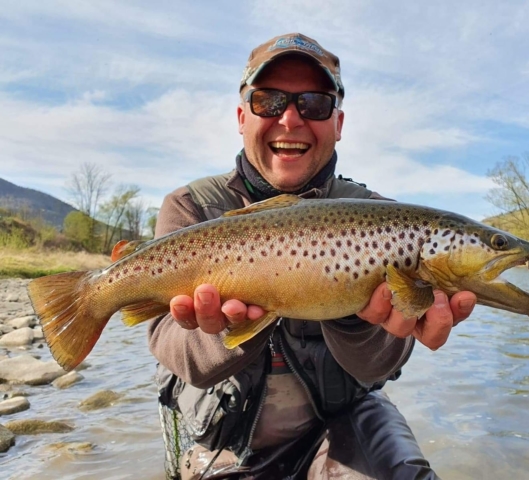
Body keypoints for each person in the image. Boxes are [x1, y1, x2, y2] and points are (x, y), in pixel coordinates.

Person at [148, 33, 477, 480]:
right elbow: (177, 355)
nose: (290, 119)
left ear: (338, 123)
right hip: (224, 435)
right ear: (242, 117)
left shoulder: (383, 218)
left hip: (342, 422)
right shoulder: (191, 207)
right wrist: (229, 327)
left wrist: (350, 309)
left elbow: (380, 365)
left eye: (314, 104)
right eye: (268, 101)